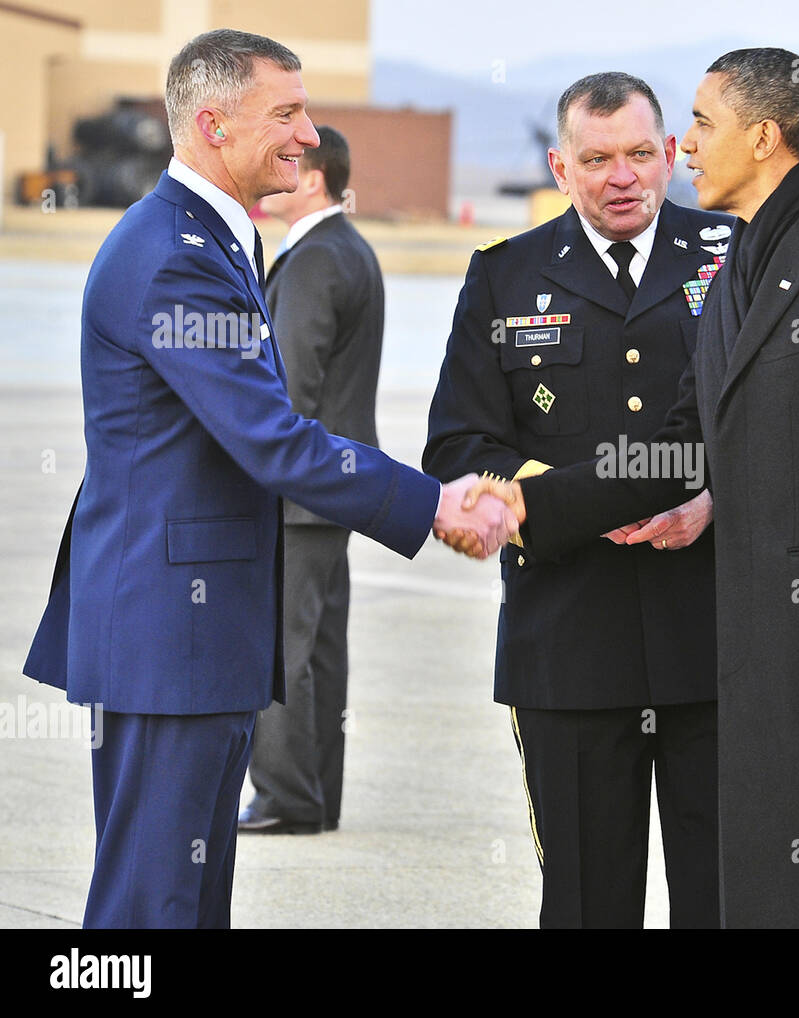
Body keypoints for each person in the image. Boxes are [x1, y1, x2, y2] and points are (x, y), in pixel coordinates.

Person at [454, 48, 799, 928]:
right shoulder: (741, 258)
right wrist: (529, 505)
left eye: (698, 127)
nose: (685, 147)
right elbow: (683, 445)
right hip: (746, 646)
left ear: (764, 135)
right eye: (601, 157)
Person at [21, 29, 514, 929]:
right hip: (168, 637)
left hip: (199, 635)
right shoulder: (176, 256)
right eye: (285, 114)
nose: (308, 136)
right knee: (149, 910)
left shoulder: (214, 237)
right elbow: (274, 443)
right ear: (212, 124)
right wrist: (434, 500)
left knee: (192, 905)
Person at [423, 72, 728, 928]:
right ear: (561, 167)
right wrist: (554, 503)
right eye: (596, 159)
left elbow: (795, 433)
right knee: (588, 899)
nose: (621, 176)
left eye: (639, 154)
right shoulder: (503, 277)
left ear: (671, 156)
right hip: (569, 639)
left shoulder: (732, 259)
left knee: (727, 894)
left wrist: (713, 503)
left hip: (712, 636)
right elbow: (458, 446)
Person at [239, 126, 381, 836]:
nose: (276, 174)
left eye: (291, 163)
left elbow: (290, 389)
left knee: (281, 648)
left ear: (318, 178)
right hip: (339, 485)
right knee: (321, 647)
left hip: (301, 488)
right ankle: (316, 794)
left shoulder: (315, 259)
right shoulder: (349, 249)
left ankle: (286, 798)